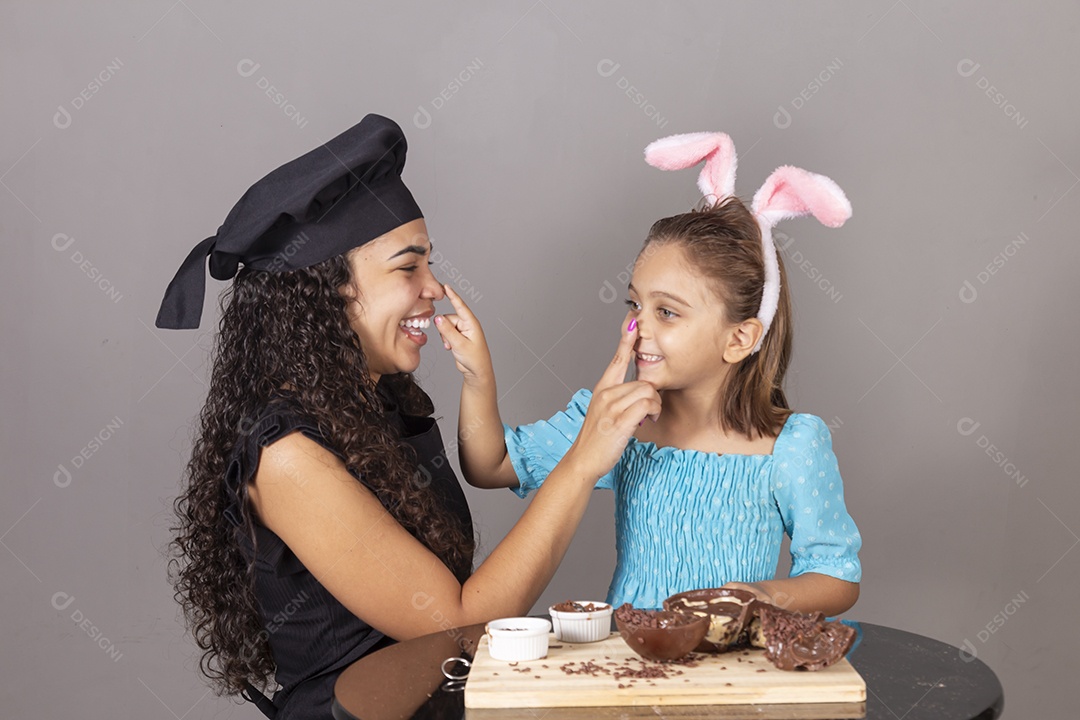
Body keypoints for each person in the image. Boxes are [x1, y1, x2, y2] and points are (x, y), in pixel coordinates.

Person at [158, 114, 660, 719]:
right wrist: (581, 463)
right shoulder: (286, 456)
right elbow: (455, 621)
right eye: (408, 267)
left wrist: (481, 381)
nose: (434, 288)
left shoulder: (378, 408)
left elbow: (487, 463)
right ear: (330, 290)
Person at [442, 131, 862, 615]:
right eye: (635, 304)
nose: (638, 327)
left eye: (668, 313)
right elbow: (488, 465)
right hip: (630, 668)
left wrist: (760, 596)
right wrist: (478, 377)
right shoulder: (616, 419)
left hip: (728, 680)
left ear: (739, 338)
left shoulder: (791, 446)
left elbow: (836, 576)